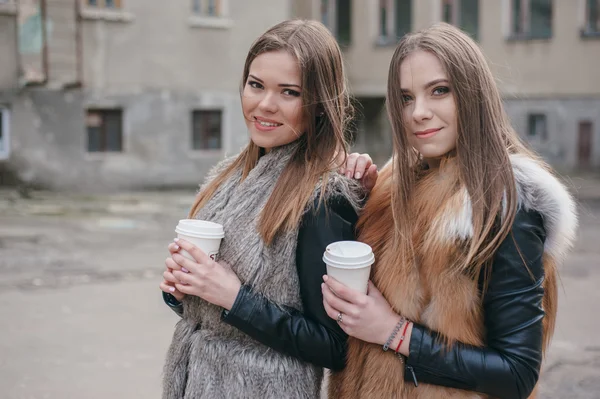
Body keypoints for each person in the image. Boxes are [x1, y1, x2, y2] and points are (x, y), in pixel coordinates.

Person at [322, 23, 578, 399]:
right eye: (406, 97)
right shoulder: (395, 183)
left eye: (439, 91)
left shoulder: (503, 201)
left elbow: (517, 374)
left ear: (473, 94)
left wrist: (394, 332)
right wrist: (353, 200)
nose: (418, 113)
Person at [159, 20, 376, 399]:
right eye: (255, 84)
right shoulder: (227, 176)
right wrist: (181, 290)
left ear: (318, 106)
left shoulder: (325, 196)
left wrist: (233, 297)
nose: (264, 104)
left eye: (289, 92)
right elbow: (208, 313)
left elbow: (334, 345)